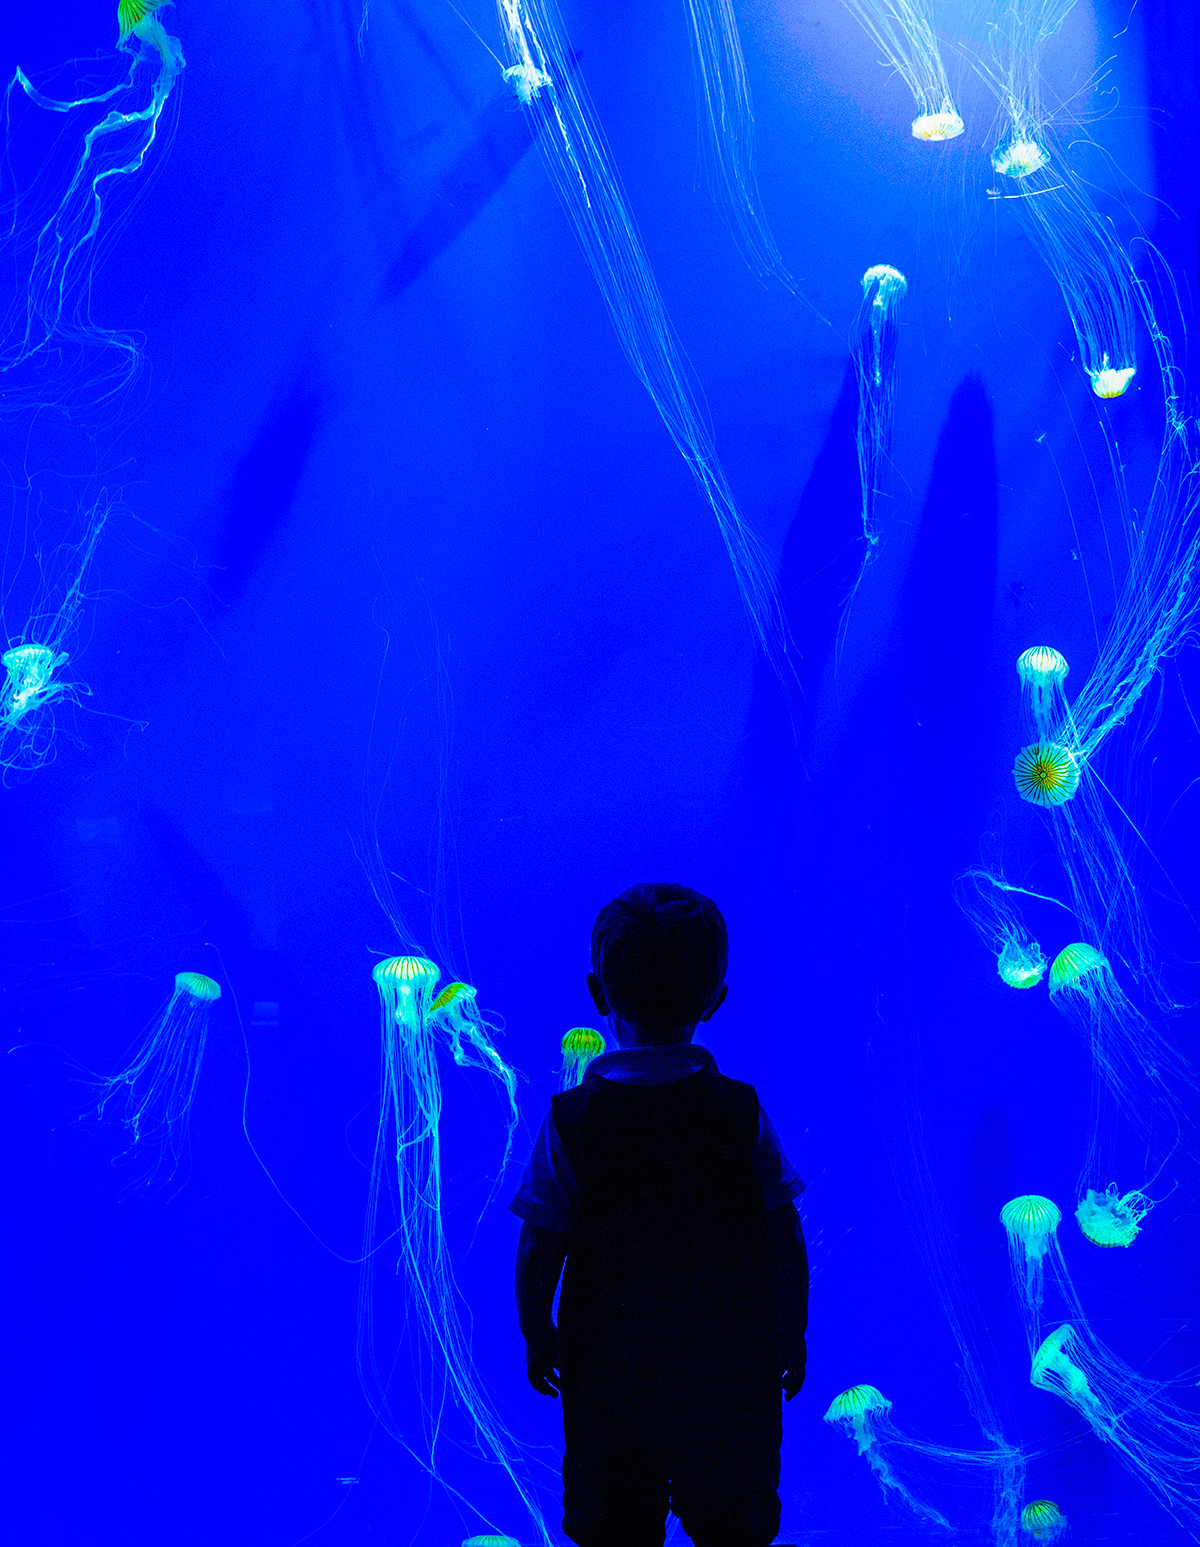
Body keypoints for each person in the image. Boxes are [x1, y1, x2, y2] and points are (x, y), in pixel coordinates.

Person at [511, 882, 808, 1547]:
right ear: (716, 999)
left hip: (611, 1375)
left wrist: (536, 1328)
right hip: (729, 1369)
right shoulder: (741, 1111)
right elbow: (784, 1230)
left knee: (612, 1524)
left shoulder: (572, 1120)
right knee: (735, 1522)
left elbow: (539, 1241)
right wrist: (793, 1326)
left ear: (598, 993)